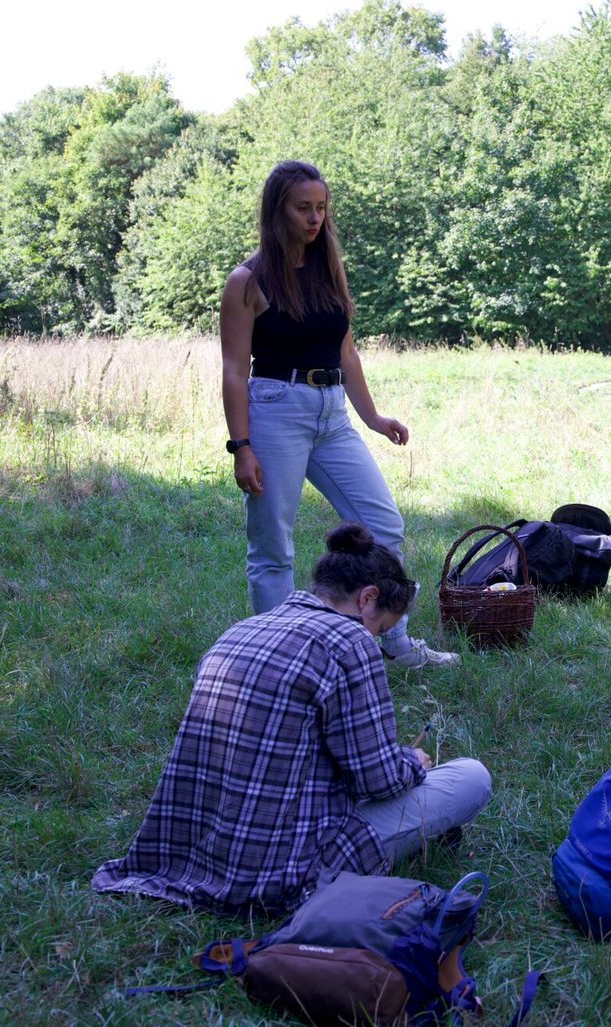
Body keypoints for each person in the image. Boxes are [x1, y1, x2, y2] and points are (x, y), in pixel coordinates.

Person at [92, 522, 492, 915]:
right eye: (380, 628)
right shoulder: (350, 641)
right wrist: (410, 761)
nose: (374, 638)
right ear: (367, 599)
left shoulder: (240, 629)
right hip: (279, 870)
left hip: (193, 853)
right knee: (472, 778)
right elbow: (378, 780)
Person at [220, 159, 455, 667]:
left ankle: (389, 639)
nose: (314, 218)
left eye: (321, 208)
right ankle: (280, 662)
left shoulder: (329, 269)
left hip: (332, 414)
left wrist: (373, 418)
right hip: (275, 410)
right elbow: (235, 370)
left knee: (383, 526)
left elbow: (346, 352)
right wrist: (241, 447)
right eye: (303, 208)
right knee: (272, 548)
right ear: (276, 210)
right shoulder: (247, 281)